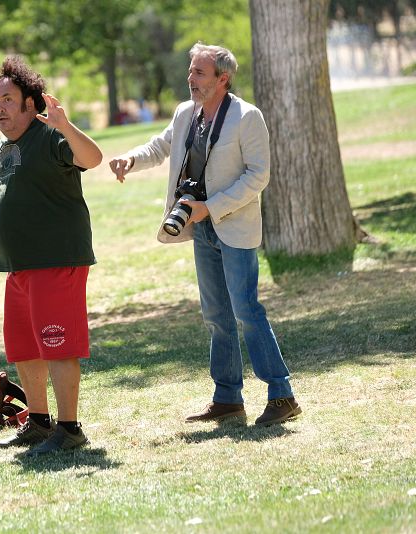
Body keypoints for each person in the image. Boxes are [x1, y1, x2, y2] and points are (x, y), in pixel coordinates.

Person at [109, 43, 302, 426]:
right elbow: (161, 146)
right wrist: (130, 159)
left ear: (222, 79)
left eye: (199, 72)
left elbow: (257, 176)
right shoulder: (185, 113)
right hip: (201, 228)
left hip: (233, 226)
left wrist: (211, 207)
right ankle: (228, 398)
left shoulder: (248, 117)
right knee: (216, 315)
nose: (190, 79)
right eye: (190, 70)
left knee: (246, 310)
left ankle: (282, 395)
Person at [0, 56, 102, 455]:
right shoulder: (12, 145)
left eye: (8, 100)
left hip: (55, 262)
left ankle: (70, 429)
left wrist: (65, 125)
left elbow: (92, 159)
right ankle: (38, 422)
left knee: (58, 345)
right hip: (20, 268)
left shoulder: (49, 136)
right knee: (25, 349)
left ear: (31, 103)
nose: (0, 109)